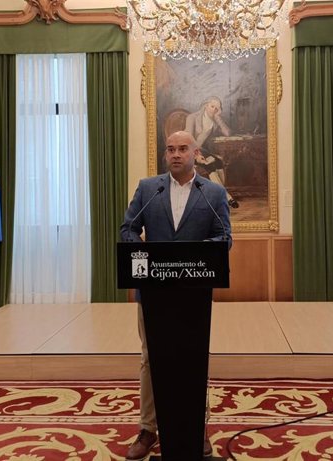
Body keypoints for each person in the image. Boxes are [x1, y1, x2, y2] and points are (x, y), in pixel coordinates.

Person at [120, 131, 232, 460]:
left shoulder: (212, 192)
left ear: (196, 153)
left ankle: (198, 427)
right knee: (151, 359)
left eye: (183, 149)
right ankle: (148, 429)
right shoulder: (148, 189)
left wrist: (191, 257)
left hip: (193, 295)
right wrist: (143, 253)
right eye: (170, 149)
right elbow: (127, 228)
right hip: (153, 295)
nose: (175, 154)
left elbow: (224, 237)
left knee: (193, 359)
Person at [185, 96, 240, 208]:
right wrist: (196, 155)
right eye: (212, 106)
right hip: (188, 151)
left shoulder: (214, 121)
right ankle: (227, 198)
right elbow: (187, 139)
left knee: (218, 162)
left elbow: (228, 133)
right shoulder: (192, 117)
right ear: (206, 105)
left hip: (202, 150)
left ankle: (219, 196)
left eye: (217, 108)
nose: (214, 109)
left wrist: (218, 117)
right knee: (209, 165)